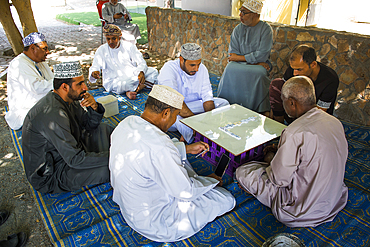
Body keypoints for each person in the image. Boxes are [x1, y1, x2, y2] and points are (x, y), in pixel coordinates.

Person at [109, 85, 235, 242]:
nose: (176, 120)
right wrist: (211, 181)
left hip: (129, 206)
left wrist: (186, 149)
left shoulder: (127, 123)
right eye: (176, 115)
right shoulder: (160, 146)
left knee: (175, 146)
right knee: (226, 199)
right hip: (157, 221)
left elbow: (149, 153)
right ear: (166, 113)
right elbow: (186, 192)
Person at [236, 76, 348, 228]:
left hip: (301, 212)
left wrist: (271, 159)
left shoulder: (293, 132)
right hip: (333, 200)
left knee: (243, 171)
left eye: (283, 102)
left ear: (292, 102)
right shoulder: (334, 122)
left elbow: (279, 180)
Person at [22, 61, 114, 194]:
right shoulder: (53, 113)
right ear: (65, 87)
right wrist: (115, 156)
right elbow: (75, 159)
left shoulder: (69, 100)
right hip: (53, 173)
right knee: (113, 168)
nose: (85, 88)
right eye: (79, 84)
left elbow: (88, 126)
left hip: (68, 151)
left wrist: (94, 108)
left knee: (104, 129)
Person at [158, 43, 229, 143]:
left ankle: (197, 130)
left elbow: (207, 98)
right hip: (173, 111)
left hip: (193, 108)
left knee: (223, 103)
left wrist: (212, 119)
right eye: (192, 65)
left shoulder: (202, 69)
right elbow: (176, 103)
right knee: (176, 119)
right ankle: (196, 134)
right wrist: (196, 123)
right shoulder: (169, 69)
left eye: (198, 64)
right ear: (182, 60)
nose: (196, 69)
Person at [217, 0, 273, 114]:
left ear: (255, 14)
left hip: (254, 65)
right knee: (230, 68)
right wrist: (254, 62)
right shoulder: (238, 29)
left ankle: (258, 109)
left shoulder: (266, 30)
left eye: (244, 12)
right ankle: (226, 103)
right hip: (248, 64)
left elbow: (262, 54)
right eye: (240, 11)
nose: (240, 15)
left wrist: (240, 58)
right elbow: (233, 54)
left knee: (260, 73)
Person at [269, 44, 339, 124]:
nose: (295, 73)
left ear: (313, 65)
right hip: (294, 111)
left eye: (299, 69)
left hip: (316, 119)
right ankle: (279, 127)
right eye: (293, 69)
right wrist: (274, 114)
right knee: (277, 85)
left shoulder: (330, 79)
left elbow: (320, 111)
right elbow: (281, 92)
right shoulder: (294, 69)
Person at [89, 24, 157, 100]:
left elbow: (141, 61)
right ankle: (135, 88)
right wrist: (94, 72)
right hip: (115, 80)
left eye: (113, 39)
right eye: (108, 39)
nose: (111, 42)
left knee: (153, 72)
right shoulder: (102, 50)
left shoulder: (129, 46)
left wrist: (141, 71)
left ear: (119, 37)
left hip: (132, 75)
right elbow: (95, 65)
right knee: (124, 83)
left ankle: (135, 90)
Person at [5, 32, 54, 130]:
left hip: (42, 105)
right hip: (25, 111)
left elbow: (51, 80)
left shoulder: (39, 61)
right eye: (44, 48)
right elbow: (39, 88)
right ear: (32, 48)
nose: (48, 52)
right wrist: (63, 81)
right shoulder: (18, 64)